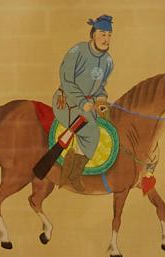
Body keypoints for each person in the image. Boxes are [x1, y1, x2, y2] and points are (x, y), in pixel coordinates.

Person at [52, 14, 114, 191]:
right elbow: (66, 80)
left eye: (109, 35)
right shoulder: (77, 51)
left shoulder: (108, 61)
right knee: (92, 131)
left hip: (90, 105)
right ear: (93, 34)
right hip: (67, 102)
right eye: (102, 33)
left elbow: (101, 85)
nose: (106, 39)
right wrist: (81, 101)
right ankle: (72, 173)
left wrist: (101, 99)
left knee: (108, 126)